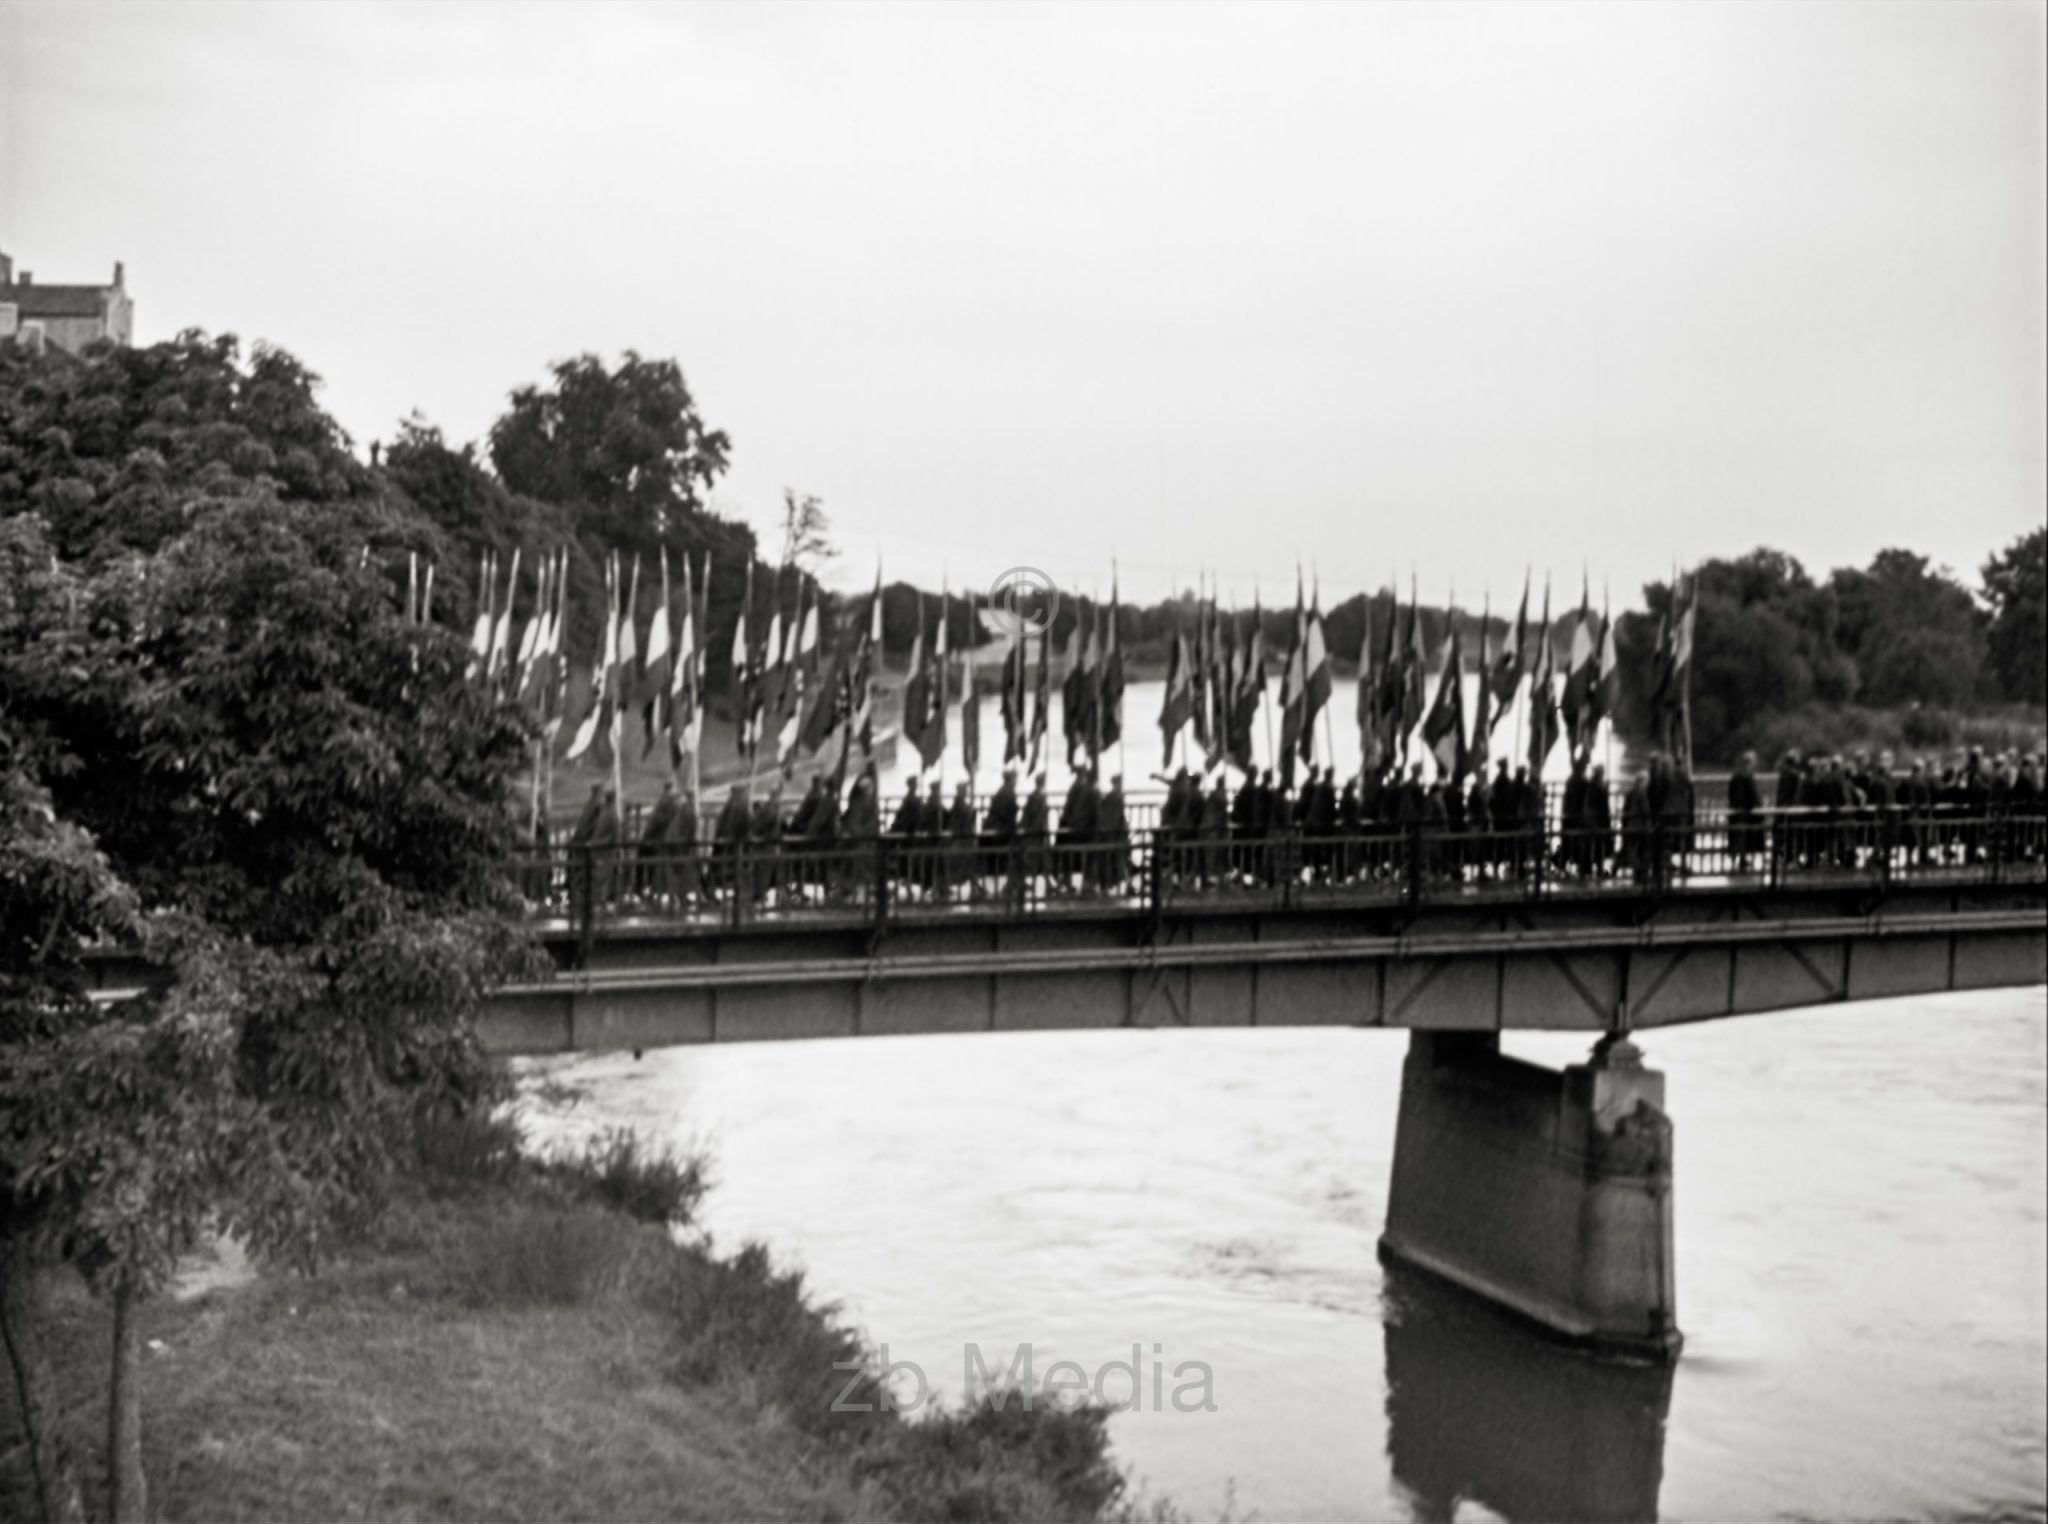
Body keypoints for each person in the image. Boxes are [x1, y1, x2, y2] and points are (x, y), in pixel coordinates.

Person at [639, 781, 681, 906]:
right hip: (663, 844)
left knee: (656, 868)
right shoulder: (670, 805)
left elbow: (654, 826)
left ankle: (649, 890)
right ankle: (655, 892)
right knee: (661, 870)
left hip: (659, 844)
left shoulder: (663, 806)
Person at [1727, 751, 1763, 872]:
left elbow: (1731, 793)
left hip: (1736, 810)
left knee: (1737, 836)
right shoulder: (1747, 776)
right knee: (1743, 836)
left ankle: (1737, 858)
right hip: (1745, 811)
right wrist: (1758, 806)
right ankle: (1741, 858)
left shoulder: (1736, 776)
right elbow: (1753, 794)